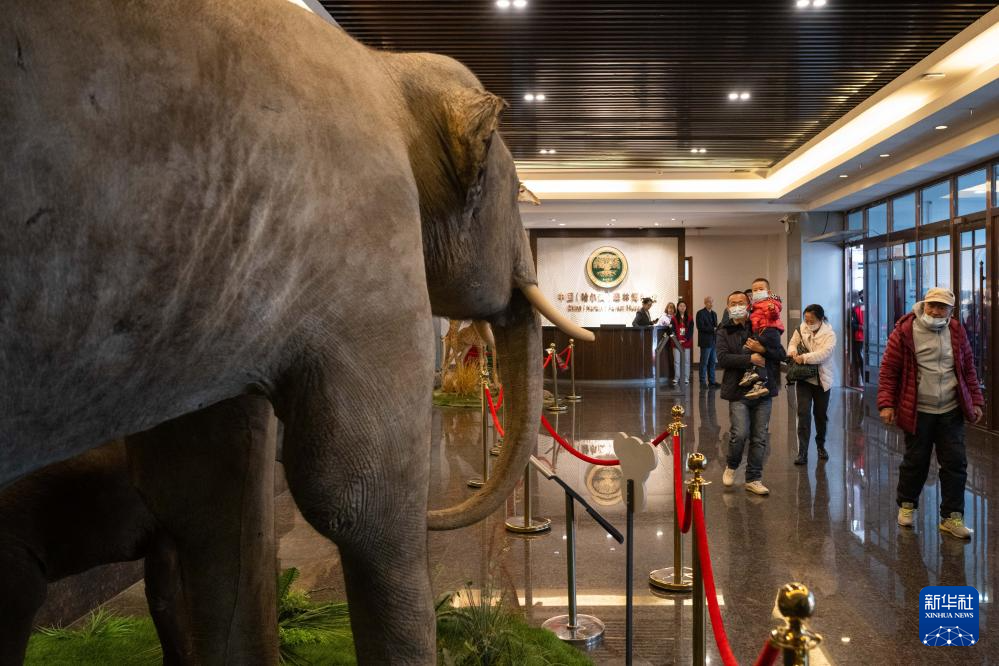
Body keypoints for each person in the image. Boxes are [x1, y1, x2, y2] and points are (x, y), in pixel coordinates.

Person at [878, 287, 984, 539]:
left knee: (955, 463)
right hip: (918, 409)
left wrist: (976, 400)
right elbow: (889, 370)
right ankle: (907, 505)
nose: (936, 311)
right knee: (916, 461)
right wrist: (886, 404)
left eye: (942, 307)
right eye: (932, 305)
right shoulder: (905, 331)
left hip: (950, 409)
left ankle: (951, 517)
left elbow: (968, 367)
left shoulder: (956, 330)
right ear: (924, 304)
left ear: (951, 310)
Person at [717, 288, 785, 496]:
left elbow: (780, 354)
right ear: (728, 307)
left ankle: (754, 478)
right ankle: (732, 464)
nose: (737, 306)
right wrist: (749, 359)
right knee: (739, 433)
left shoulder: (760, 325)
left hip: (763, 390)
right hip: (738, 390)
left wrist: (763, 350)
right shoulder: (723, 330)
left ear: (748, 305)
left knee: (760, 437)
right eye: (733, 303)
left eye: (741, 302)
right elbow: (722, 358)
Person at [788, 304, 837, 465]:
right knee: (803, 414)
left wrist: (804, 358)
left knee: (820, 415)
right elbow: (792, 343)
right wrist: (792, 351)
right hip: (804, 379)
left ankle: (820, 445)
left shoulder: (829, 334)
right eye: (806, 320)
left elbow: (824, 354)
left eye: (812, 321)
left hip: (822, 380)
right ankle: (802, 452)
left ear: (821, 319)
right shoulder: (801, 328)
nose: (808, 323)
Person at [738, 279, 784, 400]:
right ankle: (758, 380)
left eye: (761, 289)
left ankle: (755, 376)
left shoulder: (770, 302)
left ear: (768, 292)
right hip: (761, 332)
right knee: (750, 351)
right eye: (755, 290)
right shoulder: (754, 306)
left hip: (769, 331)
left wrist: (772, 308)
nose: (758, 291)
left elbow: (774, 314)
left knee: (750, 350)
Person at [696, 296, 720, 387]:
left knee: (712, 362)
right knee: (704, 362)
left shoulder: (714, 313)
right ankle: (702, 382)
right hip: (705, 341)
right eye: (709, 302)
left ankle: (712, 381)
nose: (711, 304)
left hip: (713, 341)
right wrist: (713, 329)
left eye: (712, 302)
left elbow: (716, 326)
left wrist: (717, 329)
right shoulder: (700, 313)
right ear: (705, 303)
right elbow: (700, 327)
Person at [656, 302, 681, 385]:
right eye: (669, 308)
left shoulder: (677, 317)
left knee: (678, 359)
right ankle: (674, 376)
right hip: (665, 341)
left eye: (672, 308)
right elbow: (658, 327)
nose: (671, 309)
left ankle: (679, 376)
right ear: (667, 309)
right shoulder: (663, 317)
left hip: (675, 340)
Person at [673, 300, 693, 384]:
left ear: (686, 308)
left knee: (686, 361)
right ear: (677, 307)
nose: (682, 307)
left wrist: (684, 339)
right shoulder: (674, 318)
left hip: (686, 342)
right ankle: (676, 377)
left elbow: (690, 331)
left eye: (684, 306)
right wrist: (678, 340)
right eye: (680, 306)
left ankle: (686, 378)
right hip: (676, 342)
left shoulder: (690, 318)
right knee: (677, 361)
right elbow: (672, 330)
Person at [850, 292, 864, 385]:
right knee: (862, 361)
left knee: (862, 361)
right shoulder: (856, 309)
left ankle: (864, 381)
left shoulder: (873, 307)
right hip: (860, 338)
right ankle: (863, 381)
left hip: (864, 338)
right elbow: (853, 324)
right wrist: (861, 327)